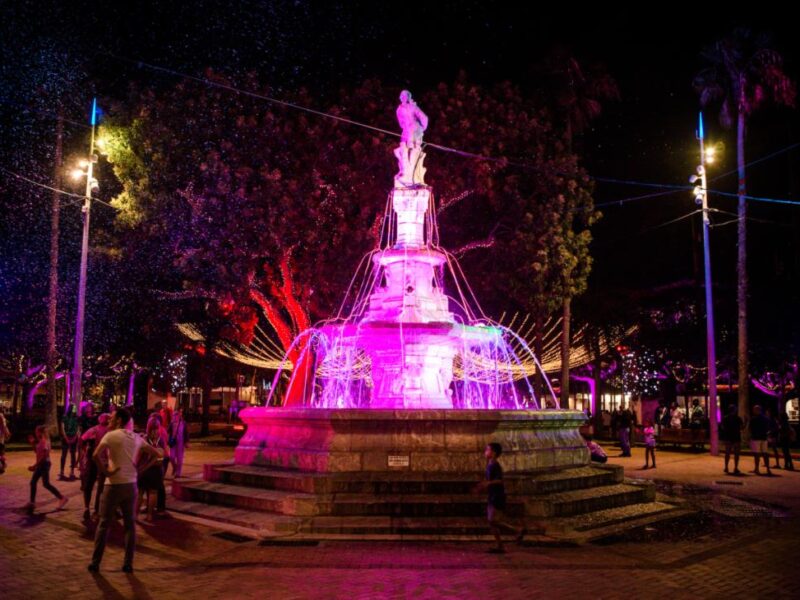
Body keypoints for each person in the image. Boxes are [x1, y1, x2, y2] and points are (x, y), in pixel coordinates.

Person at [88, 407, 162, 573]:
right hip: (131, 485)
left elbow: (94, 455)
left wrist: (106, 471)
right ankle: (128, 563)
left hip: (113, 484)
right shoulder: (136, 438)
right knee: (130, 525)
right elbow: (157, 454)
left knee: (103, 524)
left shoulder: (110, 436)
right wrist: (141, 469)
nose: (109, 420)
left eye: (112, 418)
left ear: (120, 420)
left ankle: (95, 562)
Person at [476, 442, 525, 554]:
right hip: (492, 495)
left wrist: (487, 483)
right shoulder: (489, 463)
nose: (485, 451)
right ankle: (500, 546)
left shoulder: (495, 465)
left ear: (493, 453)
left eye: (487, 449)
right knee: (491, 522)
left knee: (493, 520)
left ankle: (517, 530)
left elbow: (500, 480)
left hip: (497, 496)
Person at [25, 425, 68, 514]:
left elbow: (44, 456)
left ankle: (62, 498)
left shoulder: (44, 441)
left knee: (45, 483)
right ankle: (32, 502)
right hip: (42, 465)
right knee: (36, 482)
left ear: (40, 432)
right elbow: (37, 452)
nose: (35, 433)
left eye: (36, 431)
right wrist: (33, 444)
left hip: (44, 465)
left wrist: (35, 465)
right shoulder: (41, 441)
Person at [138, 416, 169, 521]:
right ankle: (150, 515)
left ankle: (135, 515)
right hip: (156, 470)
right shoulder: (161, 440)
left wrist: (141, 467)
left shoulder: (144, 438)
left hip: (143, 470)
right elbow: (162, 456)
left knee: (140, 492)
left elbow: (139, 455)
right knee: (153, 492)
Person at [80, 412, 110, 519]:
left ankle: (89, 508)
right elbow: (83, 439)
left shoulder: (95, 430)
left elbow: (82, 439)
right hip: (101, 461)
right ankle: (94, 510)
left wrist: (84, 450)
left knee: (91, 485)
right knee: (99, 487)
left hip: (96, 460)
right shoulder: (103, 430)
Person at [749, 405, 772, 476]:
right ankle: (768, 469)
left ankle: (757, 469)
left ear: (757, 410)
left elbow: (750, 428)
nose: (753, 411)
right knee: (765, 454)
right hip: (764, 438)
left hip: (756, 438)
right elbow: (768, 428)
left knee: (757, 454)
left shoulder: (753, 419)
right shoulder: (766, 419)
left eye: (754, 410)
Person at [721, 404, 744, 475]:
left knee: (727, 453)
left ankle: (726, 467)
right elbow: (742, 428)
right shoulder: (738, 418)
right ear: (735, 410)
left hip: (728, 437)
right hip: (736, 437)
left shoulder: (725, 418)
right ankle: (736, 468)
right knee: (736, 454)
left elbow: (722, 427)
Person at [59, 404, 80, 480]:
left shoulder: (76, 418)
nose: (74, 410)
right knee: (64, 455)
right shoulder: (65, 417)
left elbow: (78, 428)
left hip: (73, 437)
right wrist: (66, 437)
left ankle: (72, 472)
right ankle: (62, 472)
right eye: (73, 408)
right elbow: (62, 427)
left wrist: (75, 437)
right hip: (66, 437)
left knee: (73, 455)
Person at [168, 409, 189, 477]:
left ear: (179, 416)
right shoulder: (171, 423)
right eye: (174, 416)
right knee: (171, 457)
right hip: (173, 442)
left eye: (176, 416)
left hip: (180, 443)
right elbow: (168, 432)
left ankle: (178, 473)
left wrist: (186, 442)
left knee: (179, 459)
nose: (175, 417)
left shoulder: (183, 423)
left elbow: (186, 433)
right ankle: (175, 467)